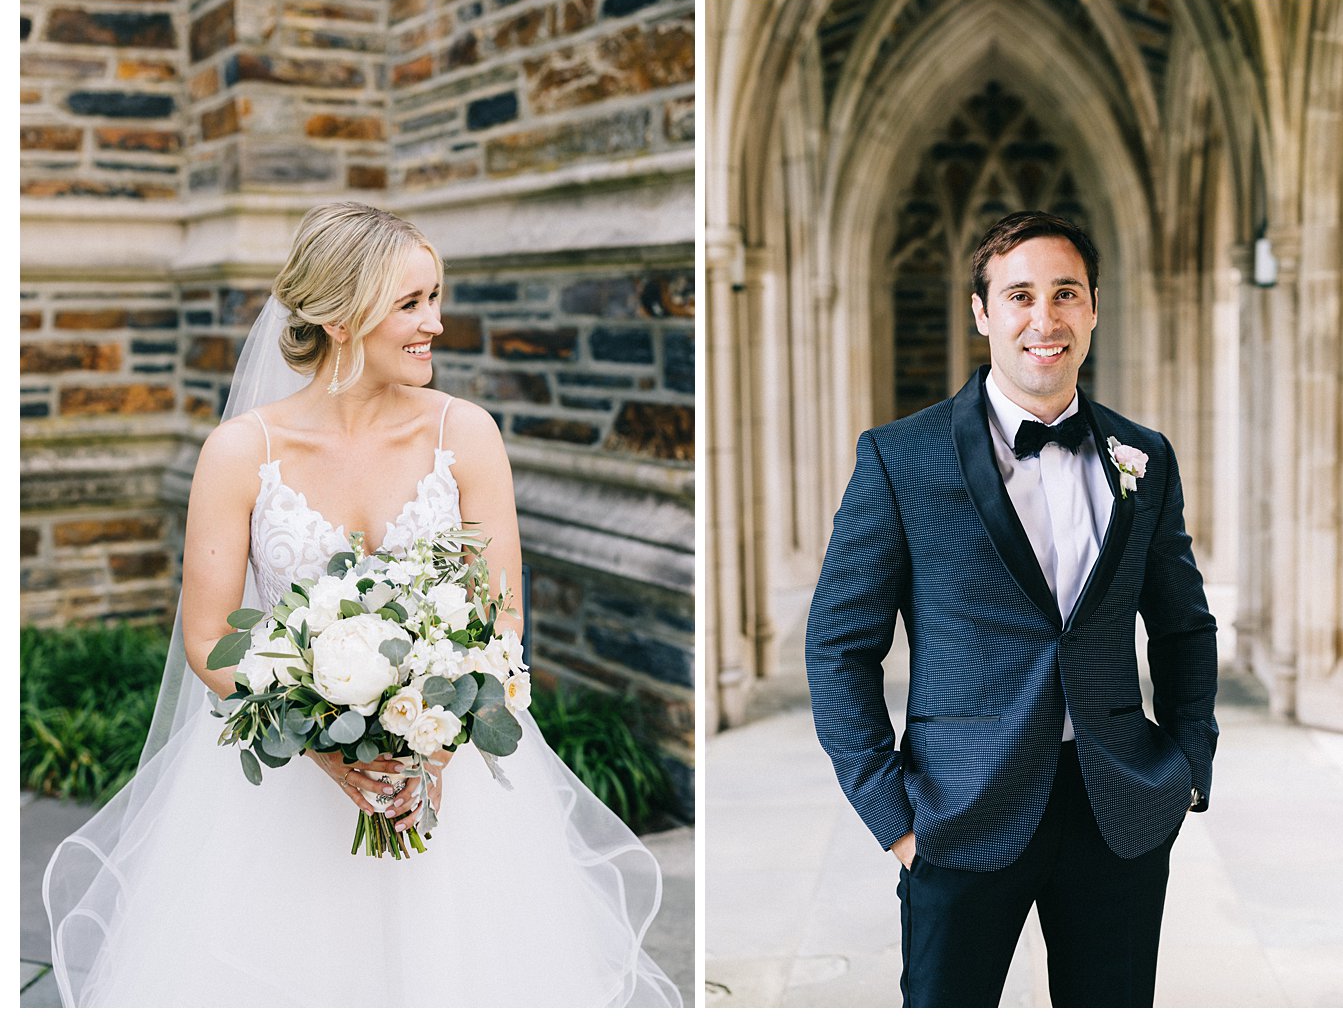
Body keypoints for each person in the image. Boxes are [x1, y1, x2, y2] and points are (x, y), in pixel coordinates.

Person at [43, 203, 682, 1008]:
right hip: (279, 790)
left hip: (448, 780)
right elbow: (210, 638)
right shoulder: (242, 453)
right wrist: (327, 751)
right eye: (411, 304)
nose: (436, 324)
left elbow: (502, 619)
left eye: (436, 298)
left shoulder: (466, 434)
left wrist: (431, 748)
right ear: (341, 315)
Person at [806, 211, 1218, 1008]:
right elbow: (838, 647)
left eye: (1065, 294)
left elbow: (1182, 624)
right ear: (982, 312)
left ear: (1094, 307)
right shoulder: (899, 457)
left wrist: (1189, 765)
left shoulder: (1145, 456)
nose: (1045, 318)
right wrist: (894, 817)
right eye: (1020, 294)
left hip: (1118, 812)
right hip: (959, 811)